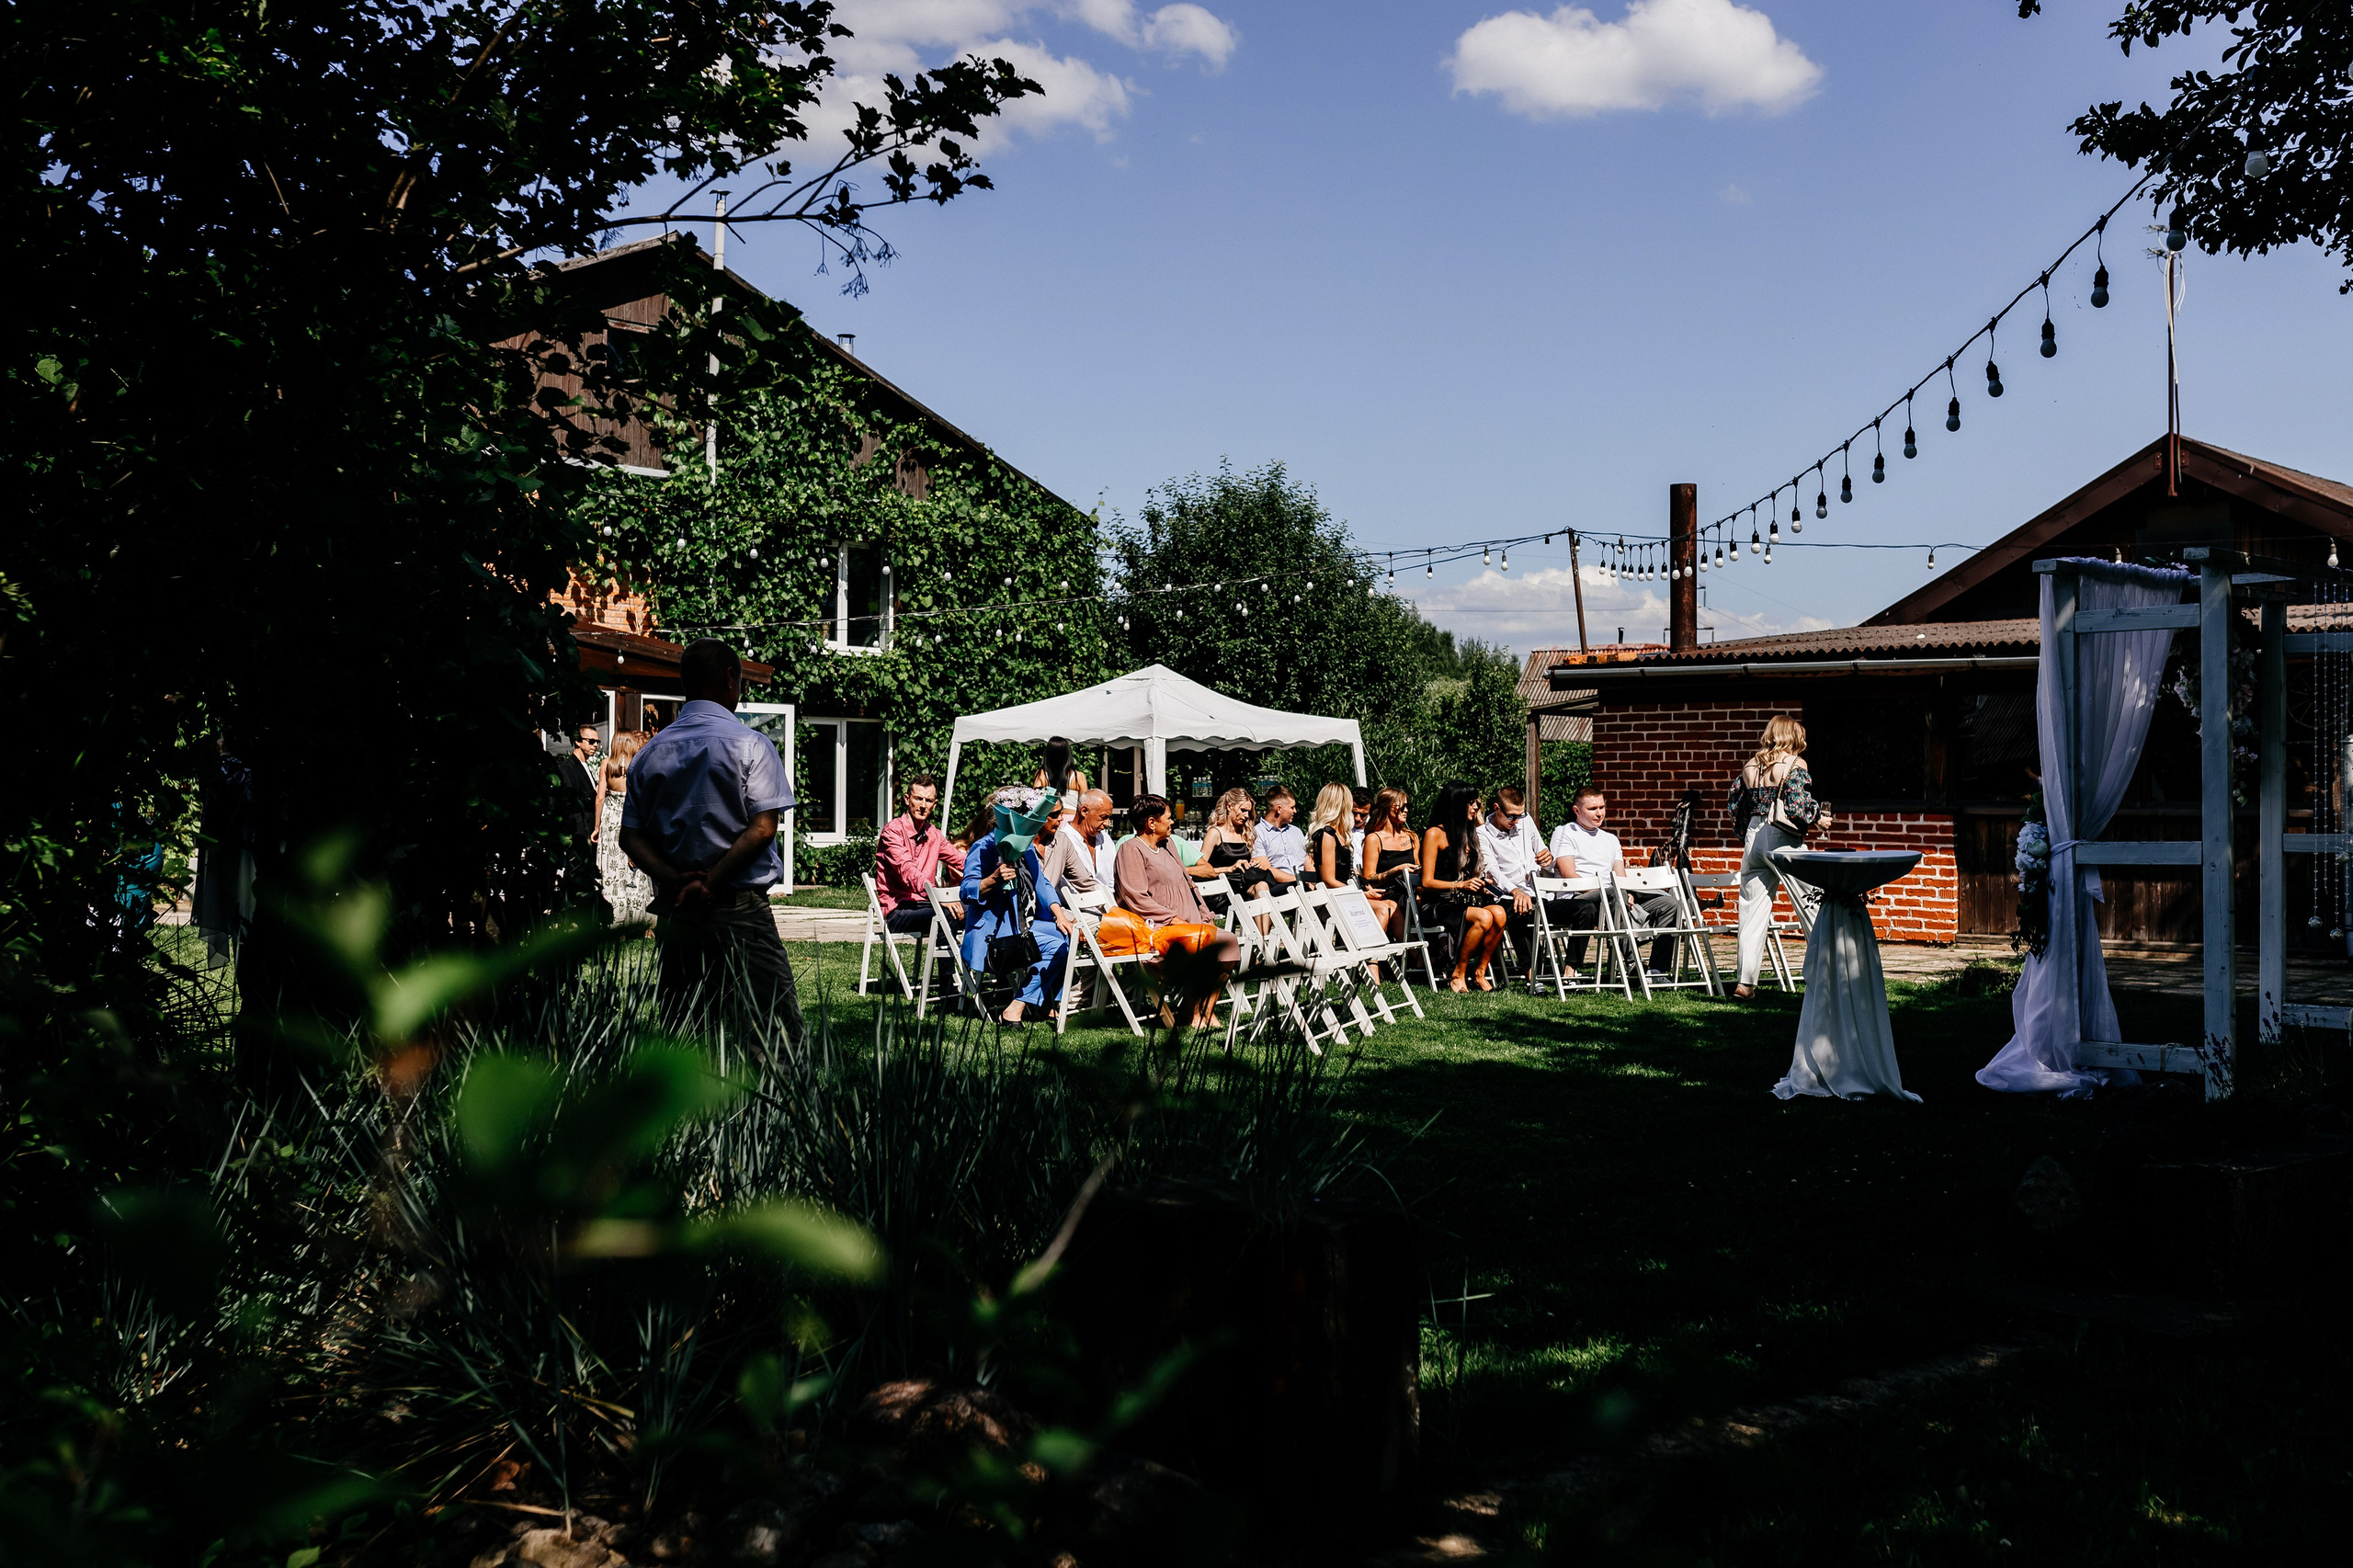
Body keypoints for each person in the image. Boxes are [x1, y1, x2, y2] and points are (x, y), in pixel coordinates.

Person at [620, 640, 801, 1045]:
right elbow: (763, 828)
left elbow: (629, 836)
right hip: (740, 909)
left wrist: (677, 881)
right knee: (771, 1032)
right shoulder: (751, 744)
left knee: (685, 1032)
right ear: (730, 679)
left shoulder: (650, 754)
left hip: (678, 911)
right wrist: (712, 883)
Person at [1110, 795, 1243, 1024]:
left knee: (1228, 942)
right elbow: (1136, 898)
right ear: (1151, 823)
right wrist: (1173, 919)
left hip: (1188, 923)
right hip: (1156, 928)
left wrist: (1205, 914)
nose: (1173, 822)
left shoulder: (1168, 844)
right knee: (1200, 943)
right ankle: (1191, 1012)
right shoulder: (1130, 850)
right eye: (1169, 818)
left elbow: (1188, 883)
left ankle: (1204, 1009)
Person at [1727, 714, 1829, 998]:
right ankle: (1826, 974)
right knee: (1812, 902)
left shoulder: (1750, 766)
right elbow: (1797, 805)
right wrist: (1817, 817)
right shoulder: (1795, 764)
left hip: (1754, 836)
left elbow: (1735, 806)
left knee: (1751, 912)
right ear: (1792, 737)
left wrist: (1747, 835)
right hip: (1783, 838)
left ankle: (1745, 984)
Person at [960, 786, 1076, 1025]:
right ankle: (1017, 1007)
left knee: (1066, 936)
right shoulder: (984, 847)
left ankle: (1044, 1003)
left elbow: (1042, 884)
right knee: (1057, 947)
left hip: (1022, 925)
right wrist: (994, 879)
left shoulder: (1026, 847)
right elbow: (966, 891)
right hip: (993, 934)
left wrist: (1060, 915)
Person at [1548, 785, 1681, 978]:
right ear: (1577, 810)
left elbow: (1620, 876)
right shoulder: (1565, 832)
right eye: (1592, 809)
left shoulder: (1610, 839)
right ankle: (1632, 961)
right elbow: (1568, 875)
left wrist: (1628, 893)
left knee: (1670, 903)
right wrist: (1614, 892)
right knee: (1613, 893)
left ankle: (1656, 970)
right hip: (1580, 898)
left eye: (1602, 807)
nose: (1599, 813)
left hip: (1614, 898)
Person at [1420, 781, 1506, 992]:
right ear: (1456, 804)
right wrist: (1460, 885)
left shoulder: (1469, 832)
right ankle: (1458, 973)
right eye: (1471, 802)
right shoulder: (1435, 834)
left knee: (1499, 913)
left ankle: (1479, 973)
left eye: (1476, 802)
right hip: (1437, 904)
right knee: (1484, 917)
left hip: (1463, 901)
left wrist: (1479, 883)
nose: (1476, 807)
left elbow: (1469, 874)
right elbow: (1426, 882)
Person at [1476, 785, 1555, 983]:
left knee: (1583, 908)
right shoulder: (1482, 833)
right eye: (1511, 816)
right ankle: (1532, 973)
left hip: (1538, 894)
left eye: (1521, 815)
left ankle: (1565, 973)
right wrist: (1515, 890)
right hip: (1505, 896)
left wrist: (1548, 859)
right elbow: (1492, 869)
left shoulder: (1525, 822)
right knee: (1520, 909)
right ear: (1497, 809)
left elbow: (1543, 852)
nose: (1517, 821)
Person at [874, 774, 966, 935]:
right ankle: (946, 952)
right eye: (918, 799)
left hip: (925, 904)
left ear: (934, 805)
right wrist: (939, 897)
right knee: (948, 914)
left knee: (978, 908)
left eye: (928, 800)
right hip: (898, 910)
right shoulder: (892, 831)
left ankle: (977, 953)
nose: (923, 805)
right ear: (907, 799)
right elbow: (909, 872)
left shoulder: (933, 834)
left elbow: (961, 860)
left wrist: (993, 868)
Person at [597, 731, 657, 927]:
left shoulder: (606, 764)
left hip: (611, 822)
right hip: (630, 820)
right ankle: (639, 918)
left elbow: (600, 798)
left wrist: (596, 826)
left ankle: (616, 919)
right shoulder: (637, 766)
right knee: (635, 870)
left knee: (612, 871)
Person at [1360, 786, 1415, 943]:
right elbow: (1369, 878)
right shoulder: (1374, 839)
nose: (1406, 810)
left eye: (1408, 806)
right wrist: (1396, 870)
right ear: (1388, 808)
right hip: (1388, 893)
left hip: (1410, 890)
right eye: (1402, 807)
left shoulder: (1411, 837)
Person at [1201, 788, 1274, 900]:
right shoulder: (1215, 833)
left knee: (1263, 886)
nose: (1246, 816)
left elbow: (1247, 863)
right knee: (1266, 901)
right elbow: (1201, 870)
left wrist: (1252, 864)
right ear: (1229, 807)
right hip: (1222, 891)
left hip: (1243, 886)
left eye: (1248, 812)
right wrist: (1230, 868)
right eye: (1243, 810)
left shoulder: (1244, 834)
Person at [1046, 788, 1119, 899]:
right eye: (1103, 817)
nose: (1107, 823)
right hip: (1072, 906)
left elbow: (1111, 882)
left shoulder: (1106, 839)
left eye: (1109, 818)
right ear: (1084, 811)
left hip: (1107, 904)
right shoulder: (1062, 841)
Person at [1253, 785, 1308, 894]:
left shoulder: (1296, 832)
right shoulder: (1257, 834)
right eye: (1292, 807)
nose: (1295, 811)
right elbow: (1266, 870)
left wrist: (1310, 881)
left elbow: (1307, 861)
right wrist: (1298, 880)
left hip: (1305, 884)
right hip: (1279, 888)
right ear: (1279, 809)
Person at [1306, 783, 1357, 891]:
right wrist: (1359, 893)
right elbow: (1328, 881)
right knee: (1386, 902)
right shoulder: (1327, 835)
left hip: (1344, 891)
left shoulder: (1340, 834)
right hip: (1333, 894)